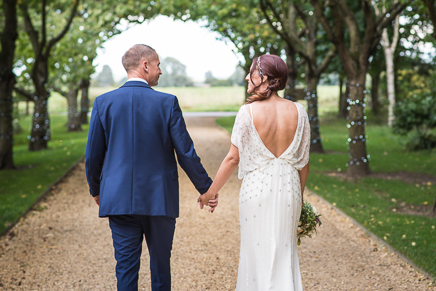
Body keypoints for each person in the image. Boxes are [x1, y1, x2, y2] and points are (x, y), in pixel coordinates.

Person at [84, 44, 218, 291]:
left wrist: (96, 189)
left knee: (125, 268)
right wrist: (206, 188)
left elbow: (92, 155)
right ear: (145, 65)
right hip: (159, 198)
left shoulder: (104, 103)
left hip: (119, 198)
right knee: (160, 268)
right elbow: (186, 152)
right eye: (158, 65)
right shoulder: (167, 103)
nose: (161, 71)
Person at [199, 54, 310, 291]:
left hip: (256, 191)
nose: (247, 77)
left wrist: (210, 192)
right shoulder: (299, 112)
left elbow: (233, 158)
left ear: (266, 78)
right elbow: (303, 163)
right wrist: (298, 200)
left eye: (252, 72)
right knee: (284, 254)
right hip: (289, 192)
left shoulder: (247, 112)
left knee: (256, 254)